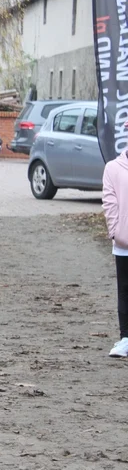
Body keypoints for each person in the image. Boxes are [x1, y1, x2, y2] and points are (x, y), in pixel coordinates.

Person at [103, 146, 128, 357]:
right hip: (124, 242)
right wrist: (116, 232)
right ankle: (125, 338)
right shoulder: (113, 168)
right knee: (125, 290)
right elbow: (109, 203)